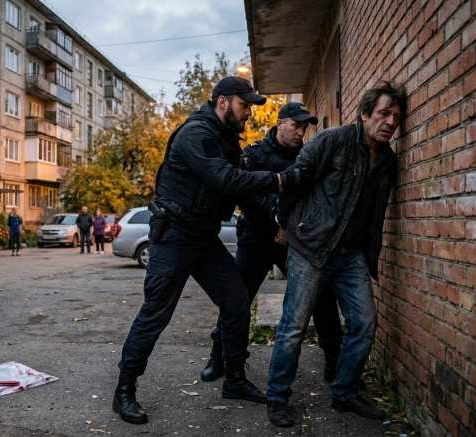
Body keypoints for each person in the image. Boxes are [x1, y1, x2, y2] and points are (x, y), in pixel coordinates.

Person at [114, 76, 280, 425]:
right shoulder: (196, 134)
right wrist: (278, 179)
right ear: (223, 102)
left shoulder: (226, 140)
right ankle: (124, 390)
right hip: (174, 235)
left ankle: (234, 379)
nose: (248, 112)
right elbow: (225, 180)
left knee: (236, 301)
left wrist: (276, 216)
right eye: (244, 104)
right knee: (156, 312)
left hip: (203, 237)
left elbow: (240, 192)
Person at [265, 82, 405, 427]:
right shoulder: (333, 140)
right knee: (293, 327)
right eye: (384, 113)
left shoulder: (387, 160)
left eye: (396, 117)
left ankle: (345, 392)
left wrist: (371, 256)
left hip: (350, 255)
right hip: (310, 249)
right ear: (365, 114)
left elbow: (375, 212)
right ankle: (277, 397)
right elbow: (294, 179)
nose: (390, 122)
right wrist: (285, 224)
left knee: (364, 322)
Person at [200, 103, 344, 387]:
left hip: (295, 241)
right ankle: (220, 358)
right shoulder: (254, 155)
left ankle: (333, 363)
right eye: (296, 125)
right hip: (256, 239)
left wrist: (288, 227)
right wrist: (275, 222)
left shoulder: (307, 155)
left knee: (321, 297)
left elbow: (312, 196)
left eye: (305, 127)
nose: (300, 132)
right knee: (237, 301)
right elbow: (247, 195)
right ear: (280, 123)